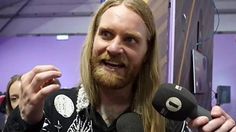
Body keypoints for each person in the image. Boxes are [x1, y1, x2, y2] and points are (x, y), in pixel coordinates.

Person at [4, 0, 236, 132]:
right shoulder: (52, 108)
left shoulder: (171, 122)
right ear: (92, 41)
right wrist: (24, 121)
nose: (114, 48)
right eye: (106, 34)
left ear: (147, 52)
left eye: (130, 39)